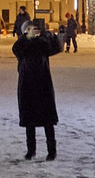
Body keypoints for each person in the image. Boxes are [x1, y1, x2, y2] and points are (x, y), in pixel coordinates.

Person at [14, 14, 62, 159]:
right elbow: (15, 49)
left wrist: (46, 34)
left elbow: (56, 47)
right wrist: (25, 37)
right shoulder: (23, 44)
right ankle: (31, 150)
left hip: (42, 84)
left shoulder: (42, 43)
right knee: (29, 120)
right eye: (28, 29)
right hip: (28, 84)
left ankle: (51, 151)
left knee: (47, 120)